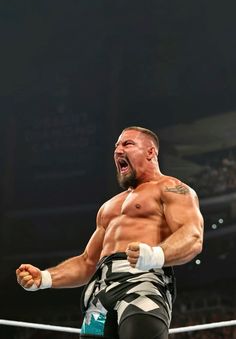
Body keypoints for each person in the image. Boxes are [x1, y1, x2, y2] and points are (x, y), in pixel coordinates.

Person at [16, 126, 204, 339]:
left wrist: (154, 256)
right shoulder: (109, 207)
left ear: (151, 152)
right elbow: (87, 262)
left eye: (127, 144)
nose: (118, 151)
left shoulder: (171, 188)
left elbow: (192, 236)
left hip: (142, 284)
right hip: (99, 295)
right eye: (116, 146)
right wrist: (44, 277)